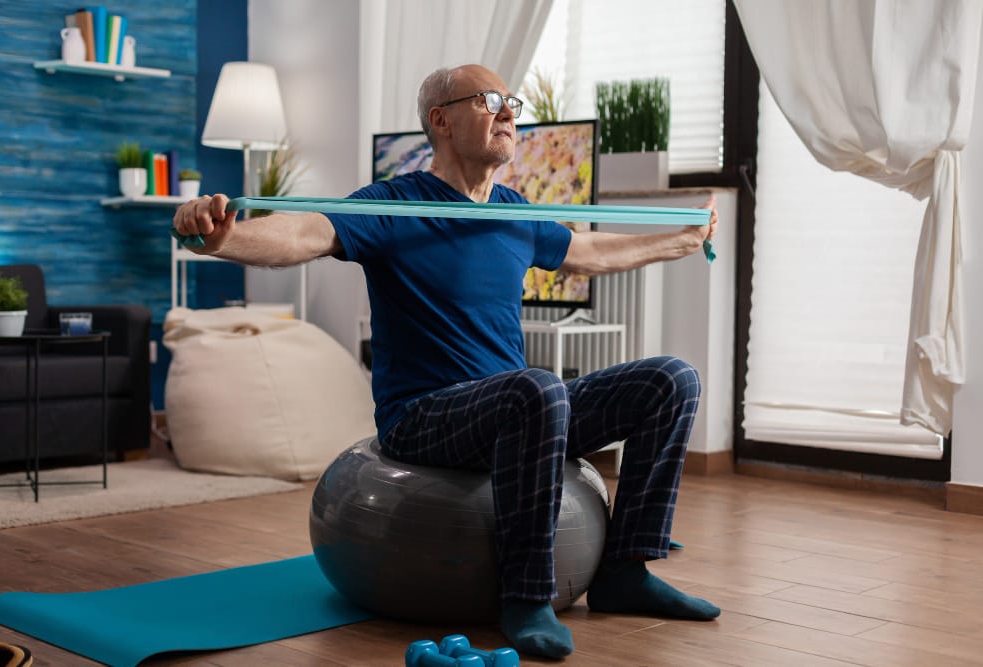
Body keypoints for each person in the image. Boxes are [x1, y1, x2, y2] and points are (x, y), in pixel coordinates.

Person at [173, 63, 720, 659]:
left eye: (511, 101)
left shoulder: (512, 211)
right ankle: (526, 594)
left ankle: (625, 571)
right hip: (424, 416)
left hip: (517, 409)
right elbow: (303, 233)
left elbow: (585, 252)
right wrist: (219, 238)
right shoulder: (395, 204)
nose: (510, 112)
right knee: (536, 390)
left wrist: (682, 240)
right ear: (441, 120)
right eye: (491, 101)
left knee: (671, 379)